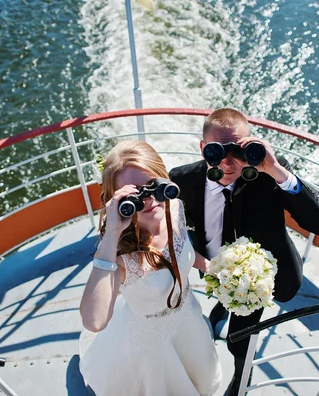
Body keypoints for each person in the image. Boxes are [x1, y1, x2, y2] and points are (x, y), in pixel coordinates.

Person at [170, 108, 319, 395]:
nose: (226, 161)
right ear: (202, 148)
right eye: (216, 151)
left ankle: (241, 377)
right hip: (211, 269)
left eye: (236, 150)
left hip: (259, 278)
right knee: (224, 303)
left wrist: (275, 169)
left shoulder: (267, 176)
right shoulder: (183, 180)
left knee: (240, 336)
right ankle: (221, 306)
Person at [79, 140, 222, 395]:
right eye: (134, 194)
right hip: (151, 343)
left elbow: (182, 252)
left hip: (188, 318)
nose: (148, 201)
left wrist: (212, 267)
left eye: (152, 186)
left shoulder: (173, 207)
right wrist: (112, 232)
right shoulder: (121, 254)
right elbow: (94, 320)